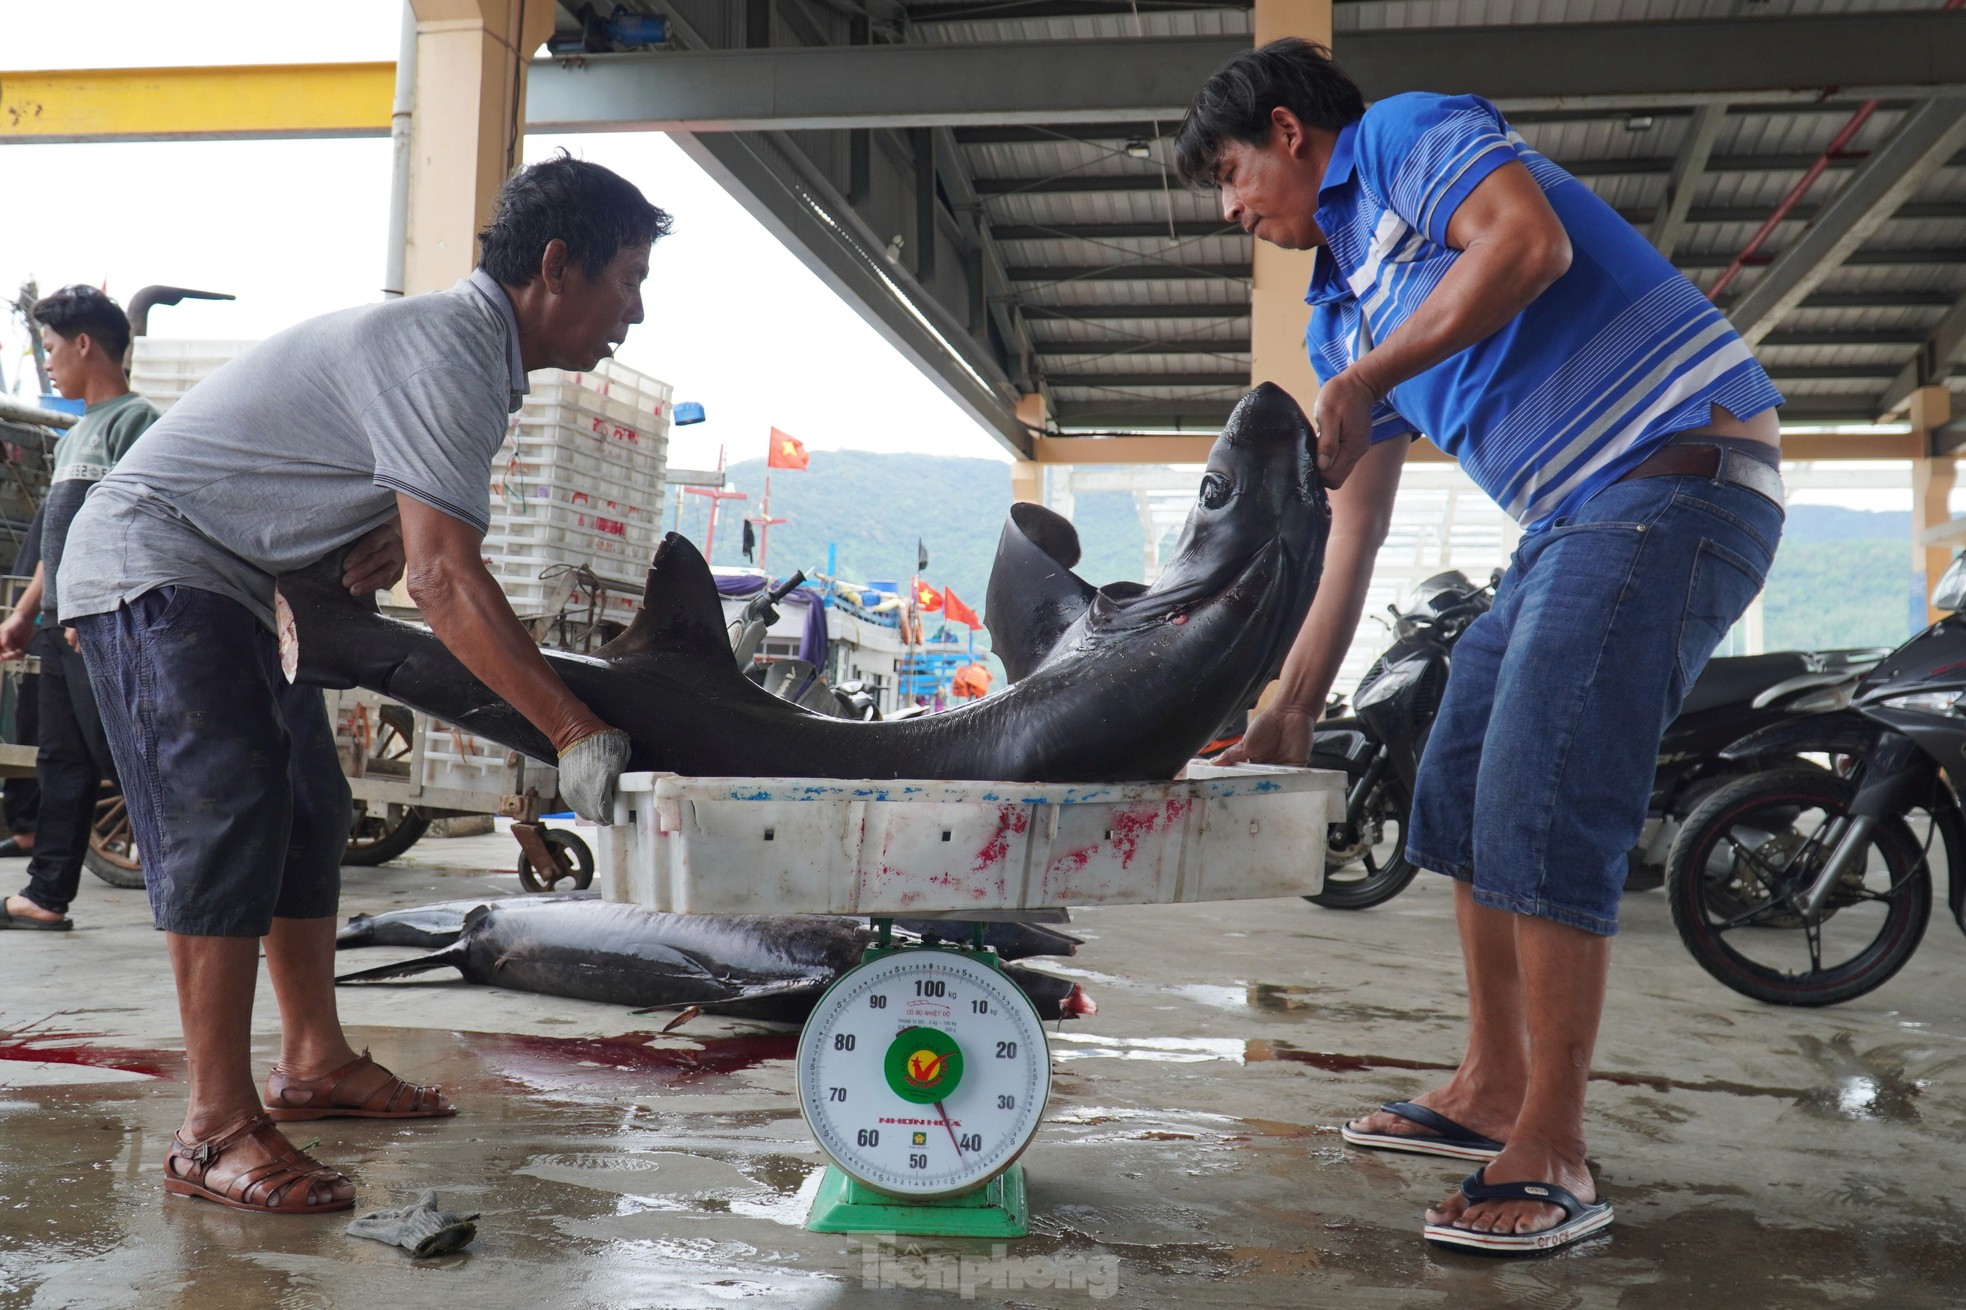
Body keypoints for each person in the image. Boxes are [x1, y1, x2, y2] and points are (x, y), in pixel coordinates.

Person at [1185, 41, 1783, 1254]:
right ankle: (1489, 1087)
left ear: (1292, 133)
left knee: (1544, 786)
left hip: (1674, 473)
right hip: (1573, 517)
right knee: (1454, 778)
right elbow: (1356, 518)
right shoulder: (1338, 303)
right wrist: (1293, 701)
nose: (1233, 207)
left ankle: (1553, 1143)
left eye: (1234, 173)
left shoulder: (1406, 138)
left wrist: (1372, 372)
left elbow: (1527, 244)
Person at [58, 154, 667, 1215]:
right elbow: (443, 577)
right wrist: (574, 728)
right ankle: (212, 1126)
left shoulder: (477, 359)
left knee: (309, 803)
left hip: (235, 578)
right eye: (629, 275)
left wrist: (382, 519)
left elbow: (410, 532)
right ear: (556, 266)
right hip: (155, 562)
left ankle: (314, 1058)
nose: (639, 311)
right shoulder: (449, 347)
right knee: (229, 808)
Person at [0, 286, 158, 930]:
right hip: (61, 628)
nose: (49, 363)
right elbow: (56, 547)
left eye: (54, 347)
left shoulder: (137, 422)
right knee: (60, 760)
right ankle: (45, 896)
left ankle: (194, 893)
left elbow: (141, 528)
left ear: (86, 344)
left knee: (124, 756)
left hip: (99, 628)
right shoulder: (73, 438)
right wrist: (26, 614)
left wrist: (98, 613)